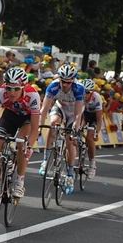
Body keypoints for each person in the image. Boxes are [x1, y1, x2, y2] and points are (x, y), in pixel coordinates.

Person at [0, 68, 41, 198]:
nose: (12, 92)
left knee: (22, 145)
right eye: (9, 88)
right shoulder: (0, 92)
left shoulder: (33, 95)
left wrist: (30, 145)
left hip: (26, 119)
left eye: (16, 89)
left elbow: (35, 127)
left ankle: (19, 182)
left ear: (23, 86)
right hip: (9, 116)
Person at [38, 64, 85, 194]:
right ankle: (45, 160)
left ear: (73, 80)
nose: (64, 85)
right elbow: (44, 109)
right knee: (53, 123)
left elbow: (77, 115)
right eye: (62, 81)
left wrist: (76, 128)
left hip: (74, 112)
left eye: (68, 82)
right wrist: (39, 127)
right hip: (60, 108)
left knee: (70, 141)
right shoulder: (53, 86)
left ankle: (70, 173)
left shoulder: (79, 88)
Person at [80, 79, 103, 179]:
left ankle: (92, 164)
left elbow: (99, 118)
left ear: (92, 92)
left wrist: (96, 132)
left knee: (89, 137)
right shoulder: (79, 96)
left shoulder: (97, 98)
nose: (85, 94)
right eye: (83, 92)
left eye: (87, 92)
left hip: (93, 117)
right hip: (83, 115)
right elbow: (78, 114)